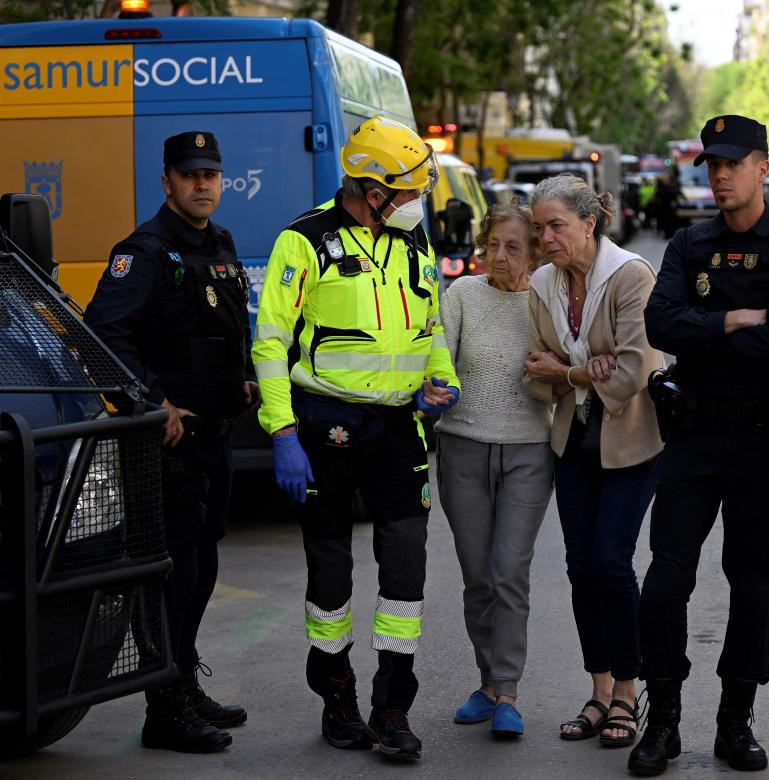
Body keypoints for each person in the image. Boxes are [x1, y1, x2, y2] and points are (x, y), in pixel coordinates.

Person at [251, 116, 460, 761]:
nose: (414, 202)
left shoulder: (412, 241)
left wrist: (442, 381)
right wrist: (282, 432)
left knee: (404, 565)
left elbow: (427, 327)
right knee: (330, 567)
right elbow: (270, 342)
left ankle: (394, 705)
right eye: (406, 192)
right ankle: (336, 694)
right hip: (324, 424)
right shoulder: (303, 241)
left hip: (399, 428)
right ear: (372, 191)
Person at [630, 115, 769, 776]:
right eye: (712, 163)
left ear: (763, 166)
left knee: (752, 586)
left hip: (763, 435)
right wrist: (736, 318)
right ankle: (664, 722)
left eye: (733, 163)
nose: (719, 174)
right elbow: (660, 322)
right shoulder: (689, 242)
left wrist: (703, 331)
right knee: (664, 581)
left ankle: (734, 722)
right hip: (695, 434)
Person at [86, 131, 250, 753]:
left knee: (202, 566)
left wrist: (247, 380)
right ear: (167, 182)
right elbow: (100, 338)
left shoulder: (221, 244)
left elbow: (229, 327)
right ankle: (164, 708)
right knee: (172, 575)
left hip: (215, 438)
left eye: (210, 173)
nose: (202, 184)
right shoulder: (146, 251)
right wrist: (149, 403)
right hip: (167, 448)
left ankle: (182, 676)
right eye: (189, 175)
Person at [523, 173, 663, 749]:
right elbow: (535, 372)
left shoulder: (631, 276)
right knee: (581, 568)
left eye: (556, 225)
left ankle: (629, 693)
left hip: (631, 444)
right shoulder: (541, 284)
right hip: (572, 443)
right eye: (539, 229)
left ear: (591, 221)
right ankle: (599, 690)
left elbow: (634, 372)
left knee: (611, 562)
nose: (546, 239)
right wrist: (579, 371)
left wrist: (570, 373)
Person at [437, 202, 554, 738]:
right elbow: (439, 359)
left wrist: (556, 373)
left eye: (513, 247)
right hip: (462, 447)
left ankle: (506, 689)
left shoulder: (548, 300)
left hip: (529, 450)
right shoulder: (461, 294)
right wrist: (434, 387)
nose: (499, 258)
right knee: (478, 575)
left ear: (533, 251)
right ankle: (487, 683)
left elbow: (566, 366)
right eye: (492, 247)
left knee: (509, 570)